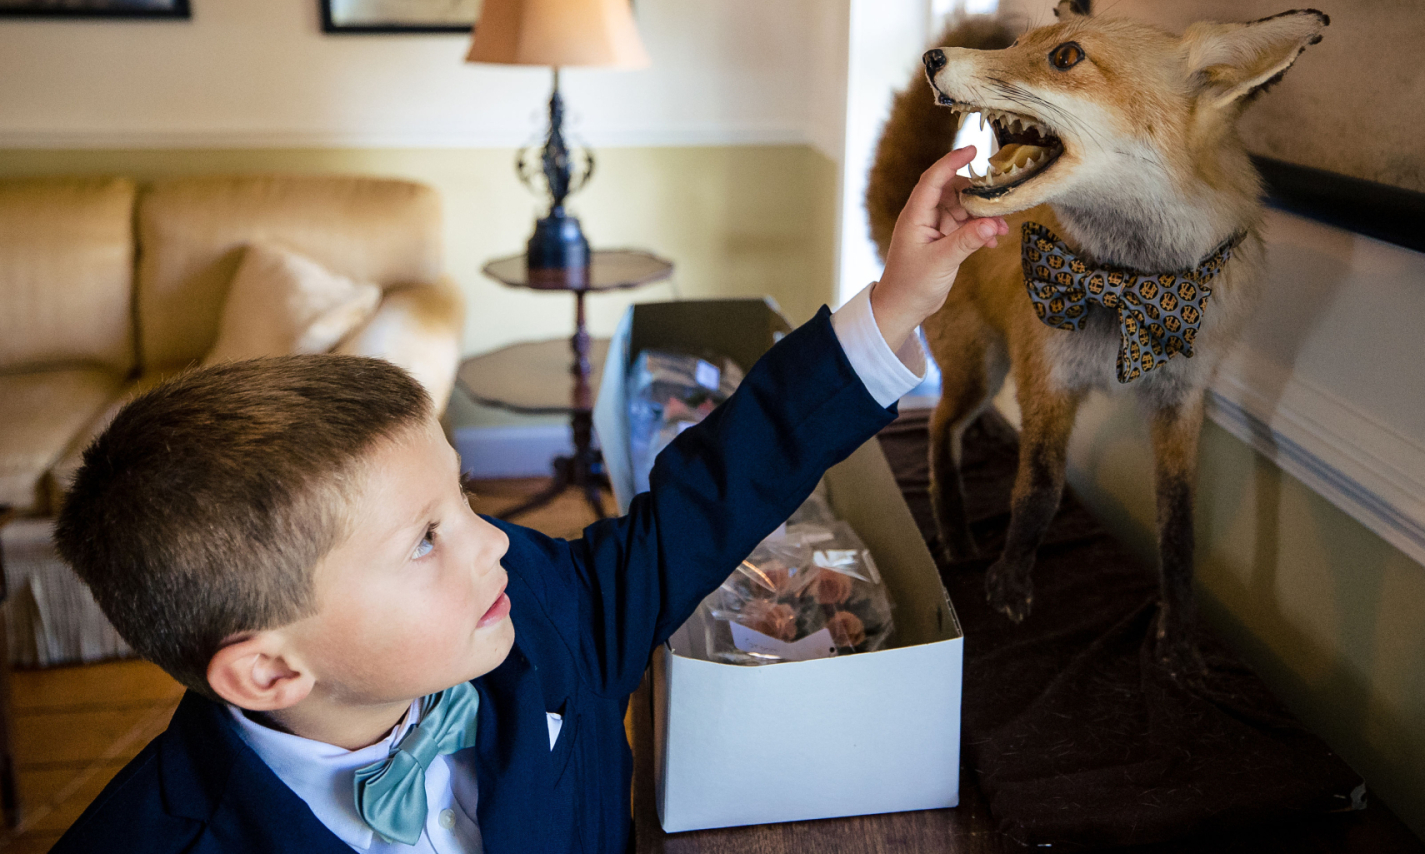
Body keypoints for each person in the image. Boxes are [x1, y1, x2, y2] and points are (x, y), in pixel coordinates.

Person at [53, 147, 1010, 854]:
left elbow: (708, 494)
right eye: (426, 539)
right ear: (269, 673)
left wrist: (896, 302)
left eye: (463, 497)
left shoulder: (548, 611)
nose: (494, 545)